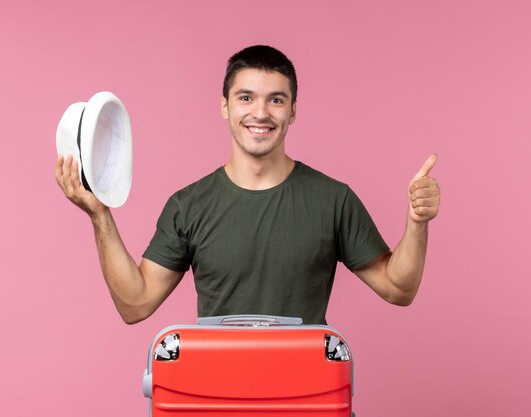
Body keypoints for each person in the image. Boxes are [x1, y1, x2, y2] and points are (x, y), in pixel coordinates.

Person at [54, 45, 440, 325]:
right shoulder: (188, 206)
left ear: (293, 111)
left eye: (276, 100)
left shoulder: (333, 199)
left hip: (307, 396)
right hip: (216, 395)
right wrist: (100, 217)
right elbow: (135, 305)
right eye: (245, 98)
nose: (260, 112)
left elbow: (397, 288)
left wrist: (416, 222)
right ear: (225, 107)